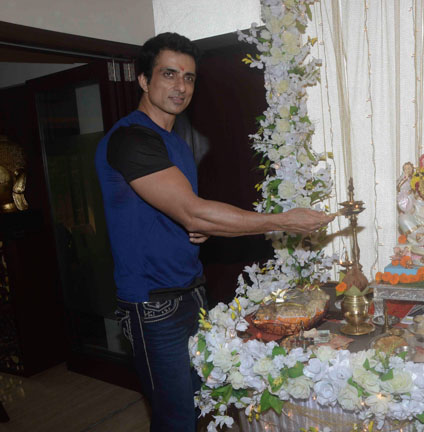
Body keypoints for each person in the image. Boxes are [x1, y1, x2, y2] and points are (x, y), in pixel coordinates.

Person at [95, 32, 333, 431]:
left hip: (191, 292)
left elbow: (178, 209)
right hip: (152, 305)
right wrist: (282, 220)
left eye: (188, 77)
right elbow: (193, 212)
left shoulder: (175, 143)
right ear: (143, 80)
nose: (180, 86)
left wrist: (196, 226)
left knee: (201, 404)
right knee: (175, 419)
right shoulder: (131, 139)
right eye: (169, 74)